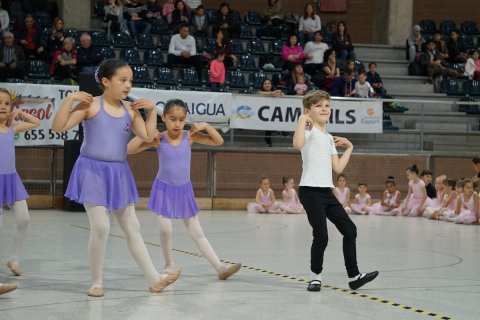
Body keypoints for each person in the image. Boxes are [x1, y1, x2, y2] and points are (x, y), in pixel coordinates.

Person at [51, 59, 180, 297]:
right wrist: (70, 100)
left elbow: (148, 135)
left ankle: (153, 279)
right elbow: (58, 127)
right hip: (92, 171)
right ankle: (96, 282)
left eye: (130, 80)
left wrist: (151, 111)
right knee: (100, 226)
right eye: (122, 80)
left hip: (119, 172)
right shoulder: (90, 105)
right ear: (105, 81)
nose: (128, 85)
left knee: (133, 227)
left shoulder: (130, 110)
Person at [127, 99, 242, 280]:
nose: (177, 124)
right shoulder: (159, 139)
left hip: (184, 191)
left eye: (181, 120)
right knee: (166, 230)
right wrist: (147, 135)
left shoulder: (190, 136)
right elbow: (130, 150)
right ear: (164, 118)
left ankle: (220, 268)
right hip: (164, 189)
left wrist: (205, 125)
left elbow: (218, 141)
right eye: (173, 119)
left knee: (197, 233)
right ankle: (168, 265)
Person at [293, 90, 378, 292]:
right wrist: (302, 119)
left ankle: (354, 276)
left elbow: (337, 168)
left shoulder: (329, 138)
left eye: (327, 105)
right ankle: (315, 277)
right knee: (321, 235)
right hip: (309, 191)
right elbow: (297, 144)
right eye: (318, 105)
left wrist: (349, 148)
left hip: (326, 193)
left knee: (350, 230)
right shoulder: (307, 130)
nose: (324, 109)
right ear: (308, 110)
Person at [0, 87, 40, 277]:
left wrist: (20, 112)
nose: (3, 106)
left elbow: (35, 122)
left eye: (7, 103)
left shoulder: (11, 129)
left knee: (24, 219)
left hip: (11, 179)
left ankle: (14, 259)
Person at [258, 78, 284, 147]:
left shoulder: (275, 92)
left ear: (271, 85)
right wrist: (272, 93)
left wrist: (279, 93)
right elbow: (259, 93)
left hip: (274, 113)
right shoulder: (260, 92)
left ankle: (269, 142)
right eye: (265, 84)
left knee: (270, 126)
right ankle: (269, 142)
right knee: (268, 126)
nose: (267, 85)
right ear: (262, 85)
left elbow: (283, 95)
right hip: (262, 114)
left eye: (269, 83)